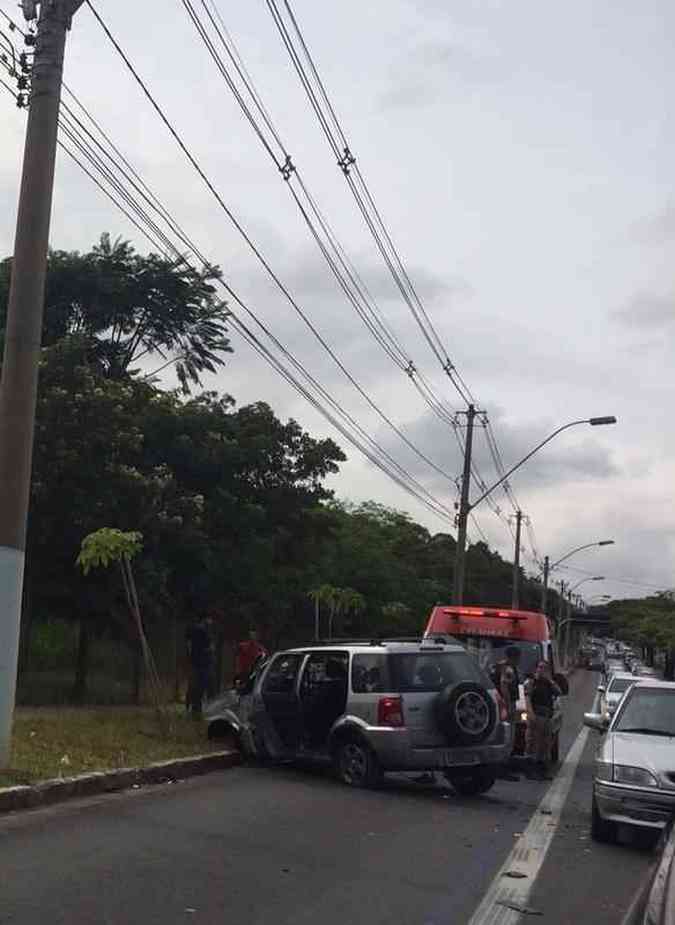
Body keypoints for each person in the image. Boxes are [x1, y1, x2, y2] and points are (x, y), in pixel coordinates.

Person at [524, 661, 561, 779]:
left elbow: (559, 692)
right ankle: (530, 771)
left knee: (544, 745)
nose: (541, 670)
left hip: (547, 716)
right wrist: (531, 714)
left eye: (544, 668)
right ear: (536, 669)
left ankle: (542, 771)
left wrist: (549, 680)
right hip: (536, 716)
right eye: (539, 667)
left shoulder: (548, 683)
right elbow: (527, 698)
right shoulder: (531, 682)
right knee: (533, 744)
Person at [185, 615, 214, 718]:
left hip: (196, 663)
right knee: (199, 687)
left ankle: (192, 708)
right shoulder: (204, 631)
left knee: (194, 686)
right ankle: (195, 709)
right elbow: (210, 648)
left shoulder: (193, 629)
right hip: (202, 664)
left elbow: (189, 645)